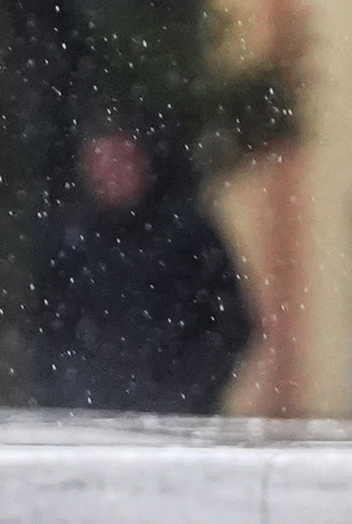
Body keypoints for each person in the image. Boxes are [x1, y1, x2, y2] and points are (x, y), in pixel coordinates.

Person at [30, 117, 256, 414]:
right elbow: (44, 328)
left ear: (142, 162)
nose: (112, 173)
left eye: (122, 159)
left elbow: (231, 324)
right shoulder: (69, 241)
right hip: (87, 420)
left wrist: (189, 390)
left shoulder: (188, 235)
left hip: (177, 422)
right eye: (101, 160)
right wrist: (71, 390)